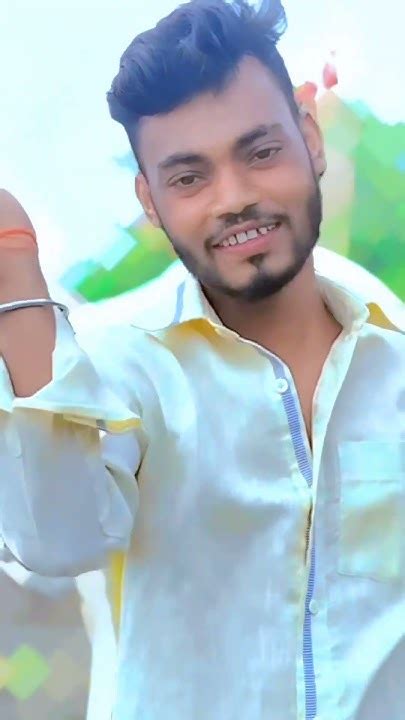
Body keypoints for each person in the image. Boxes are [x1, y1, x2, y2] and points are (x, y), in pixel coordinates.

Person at [0, 1, 403, 718]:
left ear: (309, 139)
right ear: (150, 201)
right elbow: (57, 538)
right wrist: (14, 271)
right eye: (189, 178)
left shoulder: (394, 359)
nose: (235, 199)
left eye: (261, 152)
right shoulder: (114, 367)